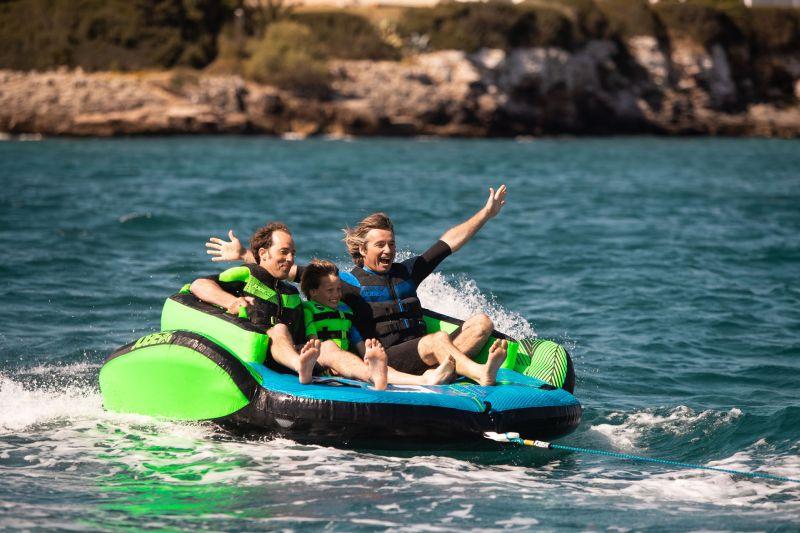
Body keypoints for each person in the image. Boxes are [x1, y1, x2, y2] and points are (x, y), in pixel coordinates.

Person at [206, 185, 509, 386]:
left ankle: (445, 371)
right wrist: (245, 255)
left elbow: (448, 243)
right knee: (435, 341)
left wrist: (486, 214)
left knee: (481, 323)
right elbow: (286, 271)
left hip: (424, 352)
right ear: (363, 250)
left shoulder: (408, 272)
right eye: (380, 245)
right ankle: (479, 373)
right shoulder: (345, 283)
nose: (389, 250)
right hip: (387, 357)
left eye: (391, 243)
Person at [190, 222, 320, 383]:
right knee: (279, 329)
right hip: (256, 352)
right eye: (284, 252)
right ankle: (300, 366)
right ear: (264, 253)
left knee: (328, 348)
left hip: (287, 354)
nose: (291, 259)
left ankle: (360, 373)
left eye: (293, 253)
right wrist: (232, 301)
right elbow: (199, 285)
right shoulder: (247, 274)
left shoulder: (292, 293)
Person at [300, 259, 455, 388]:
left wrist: (367, 355)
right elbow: (311, 334)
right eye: (330, 290)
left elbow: (356, 338)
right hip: (319, 360)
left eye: (339, 289)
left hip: (344, 361)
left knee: (381, 367)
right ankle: (372, 376)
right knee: (331, 350)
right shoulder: (309, 309)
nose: (337, 295)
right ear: (313, 292)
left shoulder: (345, 312)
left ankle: (425, 380)